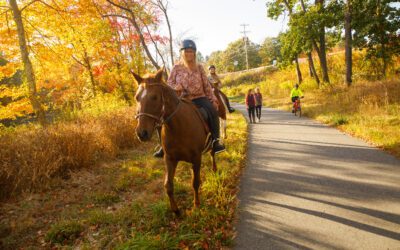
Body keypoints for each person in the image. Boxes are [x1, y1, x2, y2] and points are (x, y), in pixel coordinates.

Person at [154, 39, 226, 158]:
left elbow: (206, 85)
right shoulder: (176, 67)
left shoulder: (200, 67)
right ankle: (163, 146)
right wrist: (177, 87)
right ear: (182, 53)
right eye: (186, 51)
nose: (189, 54)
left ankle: (215, 142)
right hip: (180, 99)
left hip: (199, 98)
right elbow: (169, 83)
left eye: (191, 52)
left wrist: (213, 99)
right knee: (163, 114)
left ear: (194, 53)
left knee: (213, 111)